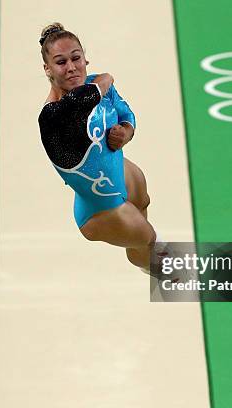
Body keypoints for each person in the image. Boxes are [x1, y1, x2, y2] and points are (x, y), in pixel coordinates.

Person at [37, 23, 164, 272]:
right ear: (47, 69)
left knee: (142, 199)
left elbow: (126, 114)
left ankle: (148, 257)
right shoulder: (51, 116)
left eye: (76, 58)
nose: (72, 67)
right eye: (61, 62)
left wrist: (125, 131)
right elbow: (80, 102)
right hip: (99, 210)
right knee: (149, 240)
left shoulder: (99, 86)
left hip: (119, 175)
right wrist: (105, 80)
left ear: (85, 57)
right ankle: (169, 273)